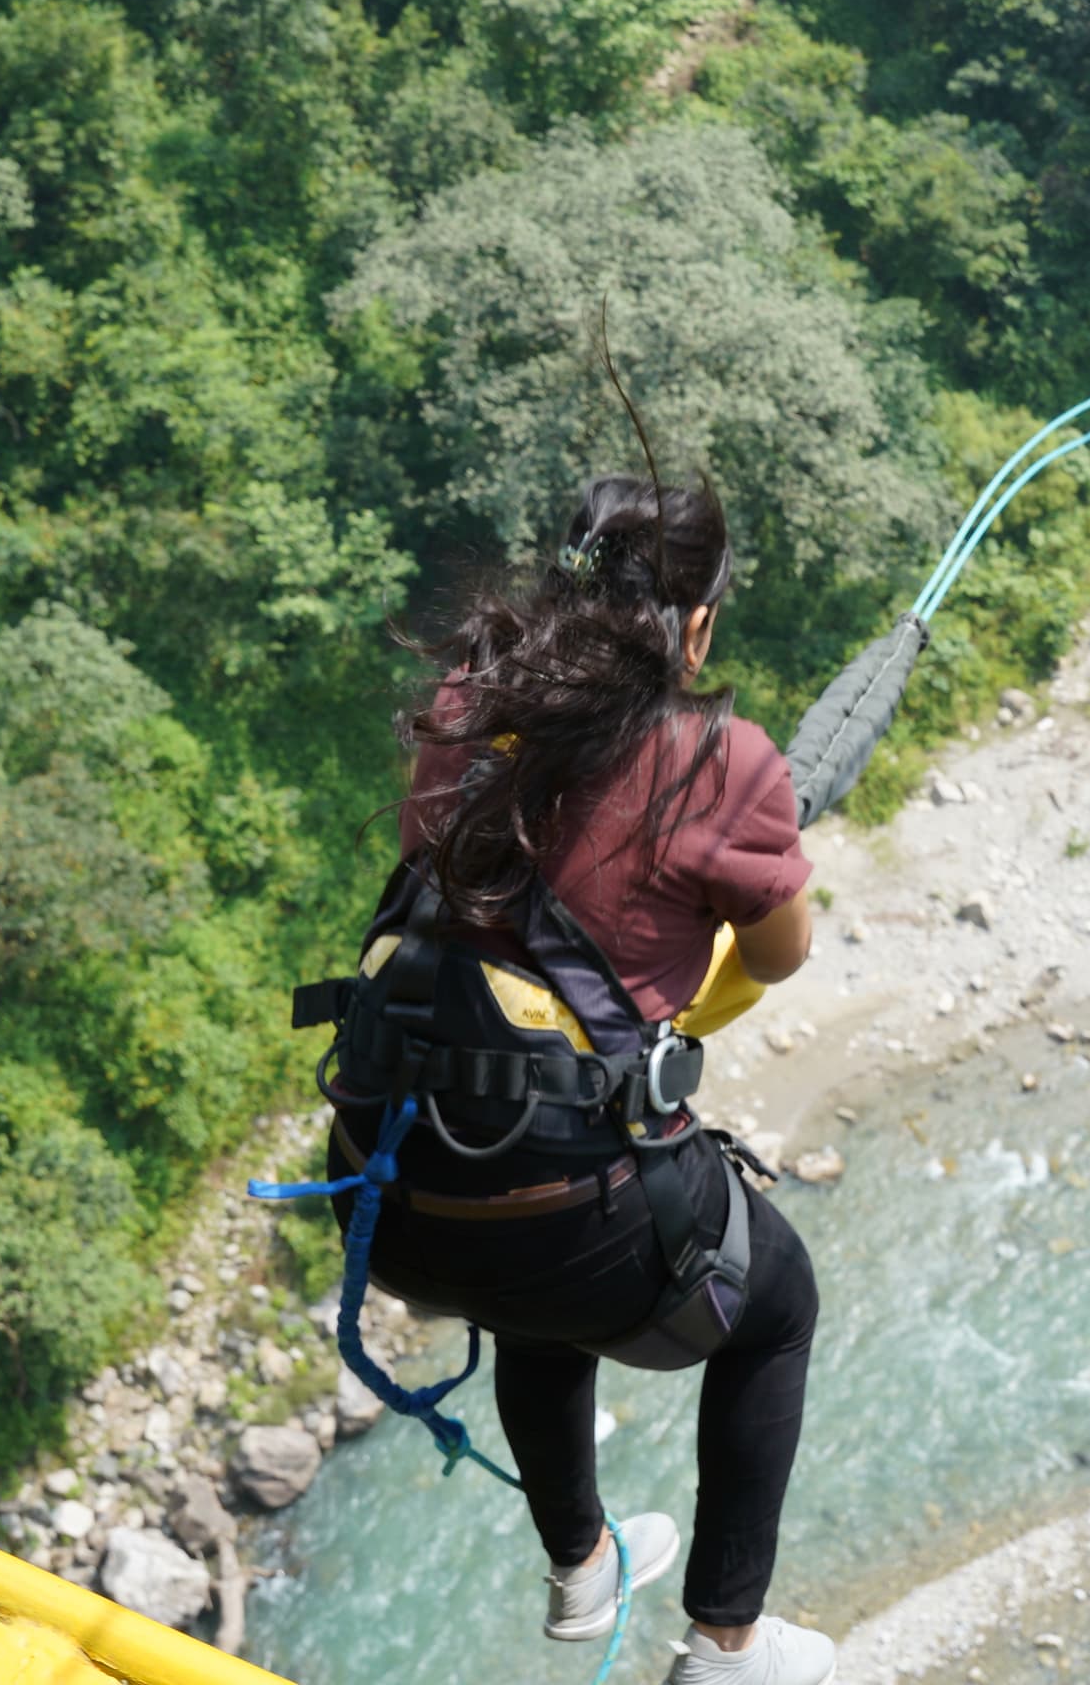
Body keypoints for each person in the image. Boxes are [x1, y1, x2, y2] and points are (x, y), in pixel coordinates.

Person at [333, 476, 835, 1685]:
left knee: (535, 1258)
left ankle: (580, 1564)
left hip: (391, 1191)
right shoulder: (719, 760)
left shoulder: (465, 708)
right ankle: (726, 1648)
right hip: (578, 1218)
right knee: (777, 1304)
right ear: (699, 621)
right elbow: (781, 951)